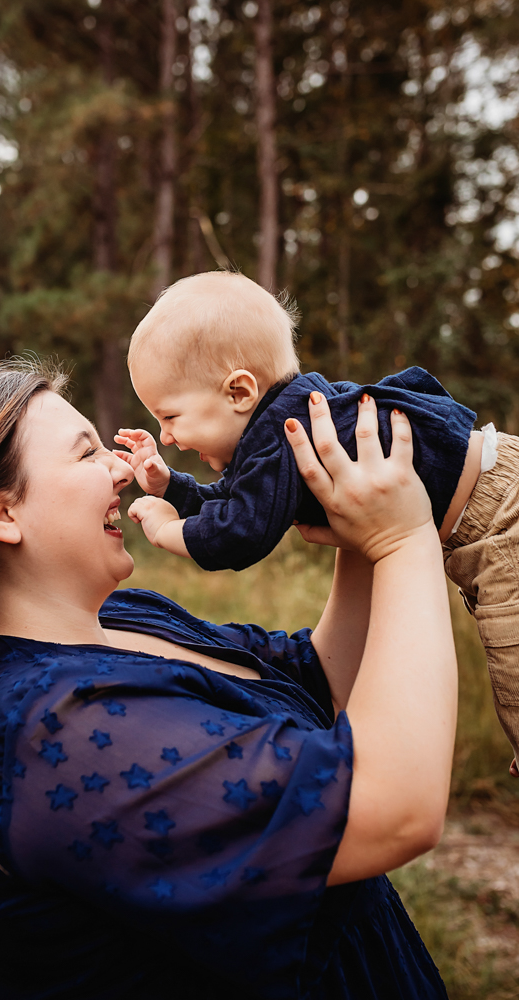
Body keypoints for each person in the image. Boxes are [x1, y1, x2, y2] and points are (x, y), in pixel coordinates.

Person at [0, 359, 457, 999]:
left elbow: (317, 681)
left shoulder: (117, 618)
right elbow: (391, 808)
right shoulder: (52, 734)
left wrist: (360, 534)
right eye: (88, 454)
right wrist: (403, 539)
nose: (119, 467)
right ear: (2, 512)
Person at [117, 270, 519, 772]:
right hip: (494, 495)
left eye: (170, 416)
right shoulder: (276, 431)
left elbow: (239, 533)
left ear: (239, 392)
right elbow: (230, 500)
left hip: (501, 519)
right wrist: (170, 487)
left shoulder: (284, 433)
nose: (167, 436)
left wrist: (164, 529)